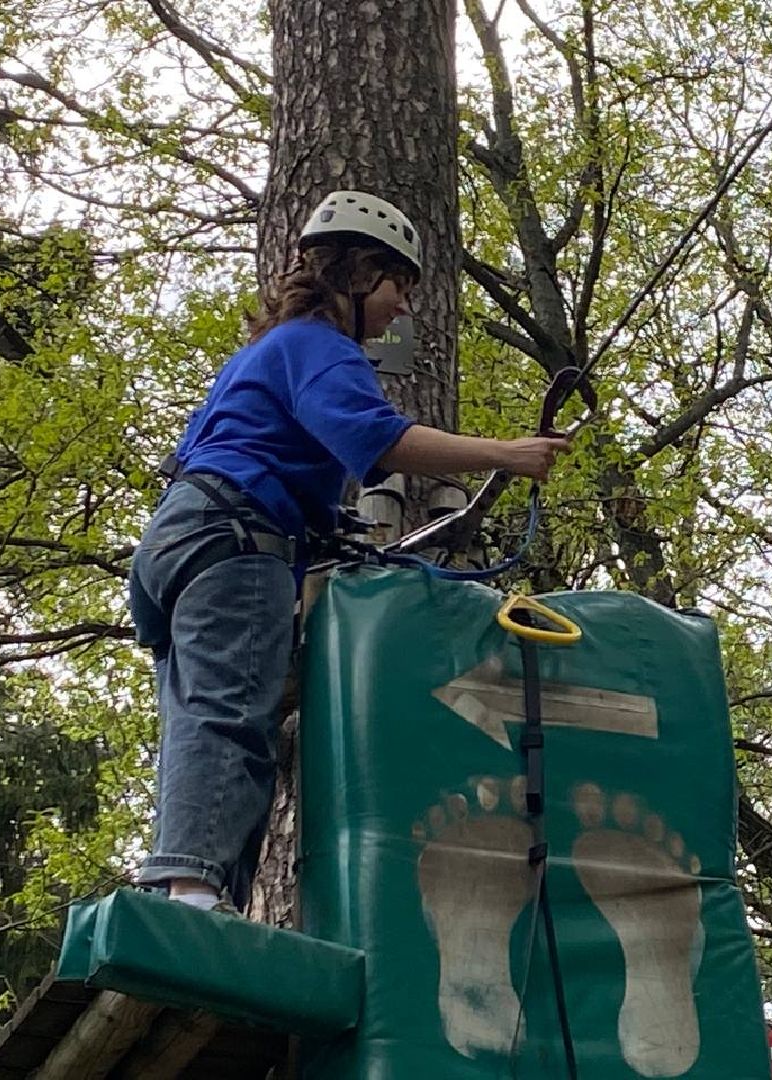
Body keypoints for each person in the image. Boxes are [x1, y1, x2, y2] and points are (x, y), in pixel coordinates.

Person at [128, 190, 568, 912]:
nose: (403, 309)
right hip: (236, 541)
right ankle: (191, 895)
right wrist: (509, 454)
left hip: (185, 541)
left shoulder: (268, 352)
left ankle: (195, 896)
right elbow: (381, 440)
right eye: (398, 287)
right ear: (358, 272)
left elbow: (252, 449)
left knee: (206, 716)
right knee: (231, 715)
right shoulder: (319, 345)